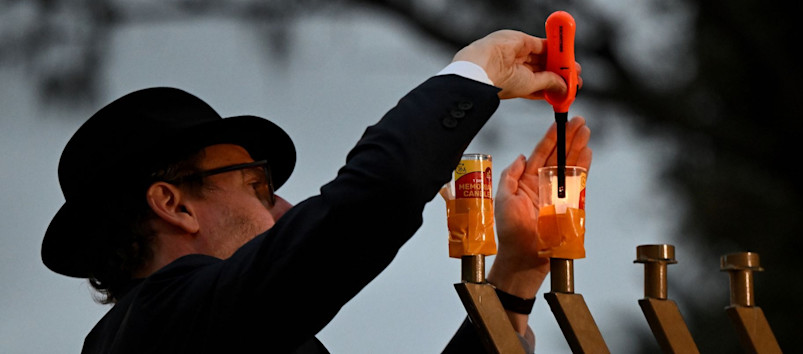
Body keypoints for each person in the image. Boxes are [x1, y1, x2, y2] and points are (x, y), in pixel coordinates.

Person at [41, 30, 591, 353]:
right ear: (173, 204)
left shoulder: (232, 327)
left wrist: (516, 277)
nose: (284, 206)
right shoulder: (161, 328)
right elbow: (369, 202)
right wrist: (474, 74)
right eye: (257, 187)